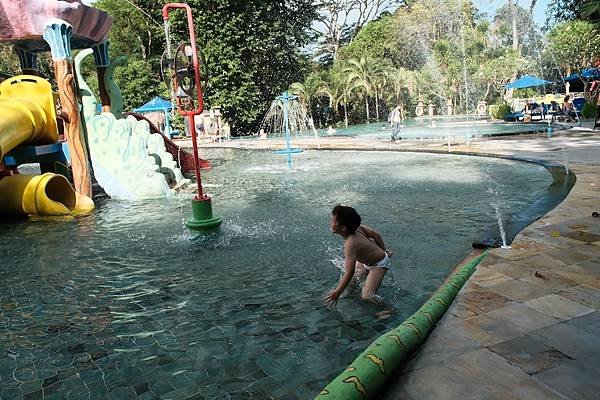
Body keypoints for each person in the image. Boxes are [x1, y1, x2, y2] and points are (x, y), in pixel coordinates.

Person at [325, 205, 393, 306]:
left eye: (333, 221)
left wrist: (337, 293)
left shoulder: (350, 243)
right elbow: (376, 235)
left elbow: (349, 272)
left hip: (379, 264)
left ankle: (386, 310)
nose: (330, 223)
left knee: (367, 296)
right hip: (365, 261)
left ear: (343, 227)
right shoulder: (358, 228)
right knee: (351, 283)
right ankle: (349, 292)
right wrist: (384, 249)